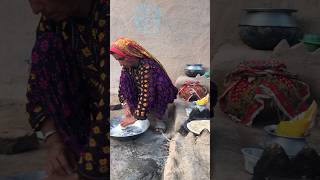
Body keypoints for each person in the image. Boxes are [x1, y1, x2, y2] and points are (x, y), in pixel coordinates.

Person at [27, 0, 109, 179]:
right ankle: (76, 157)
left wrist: (84, 173)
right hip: (85, 124)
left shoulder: (110, 16)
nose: (35, 9)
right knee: (45, 48)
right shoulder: (53, 20)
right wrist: (53, 140)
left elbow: (112, 104)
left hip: (116, 122)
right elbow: (37, 85)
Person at [110, 37, 178, 133]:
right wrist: (125, 105)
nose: (120, 64)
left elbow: (147, 93)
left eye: (121, 59)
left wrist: (135, 117)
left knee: (154, 102)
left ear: (131, 55)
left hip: (158, 91)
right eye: (118, 60)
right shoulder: (127, 67)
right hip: (144, 90)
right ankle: (143, 111)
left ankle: (159, 118)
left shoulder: (147, 66)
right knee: (129, 89)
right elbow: (122, 87)